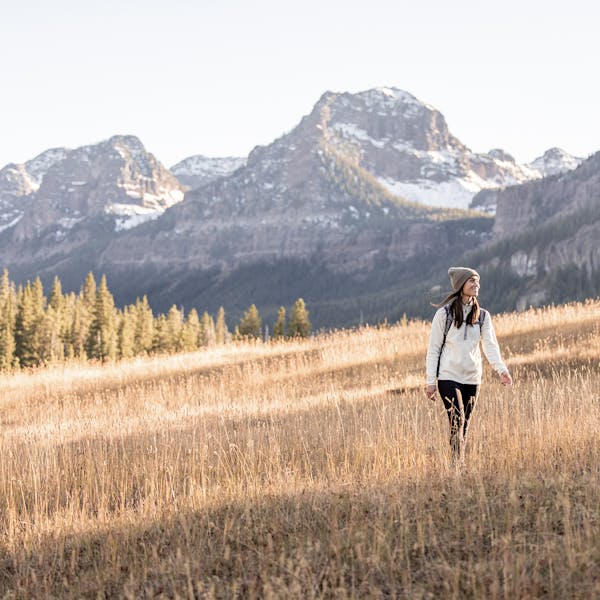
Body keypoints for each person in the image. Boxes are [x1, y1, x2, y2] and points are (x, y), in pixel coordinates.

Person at [425, 267, 512, 459]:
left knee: (464, 424)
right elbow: (433, 349)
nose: (476, 284)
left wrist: (501, 370)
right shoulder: (444, 315)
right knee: (457, 420)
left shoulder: (482, 316)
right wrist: (431, 381)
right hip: (448, 376)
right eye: (472, 281)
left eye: (478, 281)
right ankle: (457, 465)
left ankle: (458, 462)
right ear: (460, 285)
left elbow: (490, 346)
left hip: (473, 378)